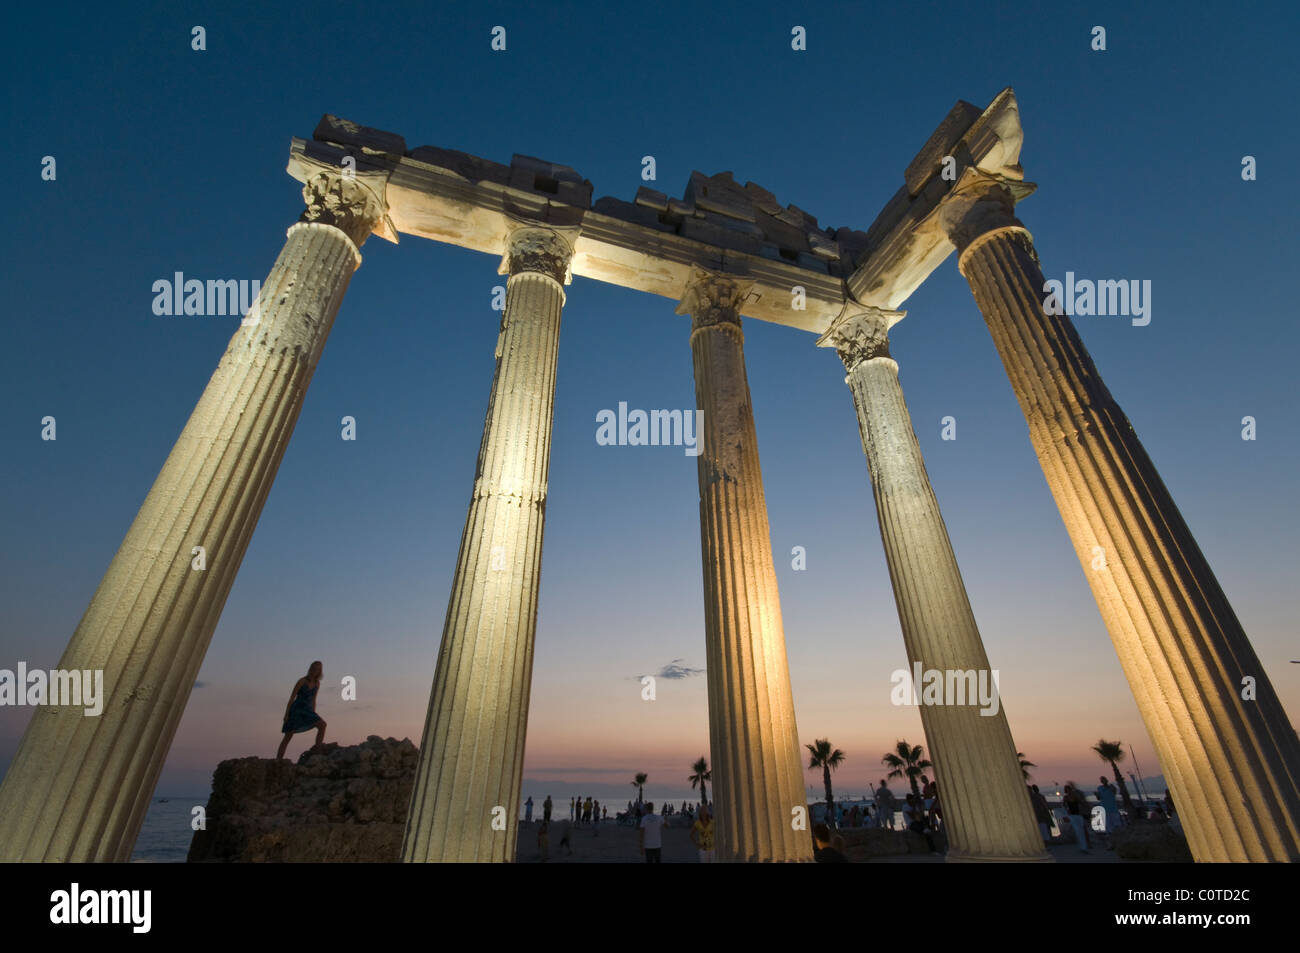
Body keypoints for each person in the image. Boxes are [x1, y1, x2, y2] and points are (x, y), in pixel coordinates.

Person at [276, 660, 327, 759]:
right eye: (313, 668)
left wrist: (313, 713)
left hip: (308, 711)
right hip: (296, 710)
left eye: (317, 669)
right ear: (310, 668)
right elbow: (291, 698)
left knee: (322, 725)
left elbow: (313, 699)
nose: (314, 670)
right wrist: (286, 714)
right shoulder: (302, 681)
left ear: (319, 671)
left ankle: (317, 750)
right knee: (288, 736)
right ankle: (278, 760)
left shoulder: (317, 684)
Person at [1063, 783, 1089, 853]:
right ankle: (1082, 847)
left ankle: (1084, 847)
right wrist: (1066, 815)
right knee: (1078, 831)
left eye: (1069, 789)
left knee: (1081, 831)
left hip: (1078, 815)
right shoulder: (1065, 797)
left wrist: (1085, 809)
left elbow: (1082, 803)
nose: (1068, 791)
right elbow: (1064, 806)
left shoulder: (1075, 796)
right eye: (1066, 790)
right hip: (1072, 816)